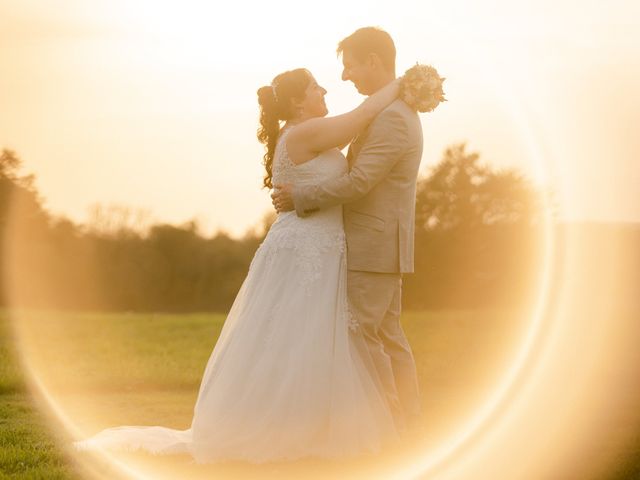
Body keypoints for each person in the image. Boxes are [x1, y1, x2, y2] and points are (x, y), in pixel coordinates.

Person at [73, 63, 407, 462]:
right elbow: (364, 114)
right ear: (299, 101)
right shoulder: (306, 132)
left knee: (303, 336)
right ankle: (285, 428)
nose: (325, 93)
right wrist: (405, 83)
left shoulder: (299, 133)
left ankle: (304, 421)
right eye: (317, 88)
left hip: (313, 245)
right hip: (307, 247)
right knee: (300, 334)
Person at [272, 26, 423, 432]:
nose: (344, 77)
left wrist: (300, 196)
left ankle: (393, 428)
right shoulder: (392, 112)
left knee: (366, 339)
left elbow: (359, 183)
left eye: (350, 66)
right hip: (378, 246)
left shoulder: (393, 119)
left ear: (373, 61)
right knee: (386, 338)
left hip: (373, 247)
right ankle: (405, 426)